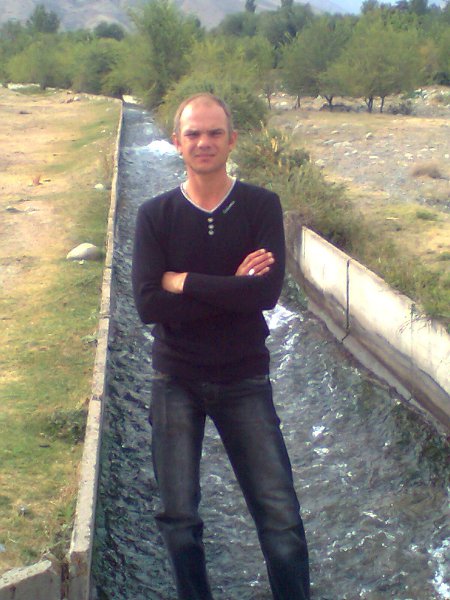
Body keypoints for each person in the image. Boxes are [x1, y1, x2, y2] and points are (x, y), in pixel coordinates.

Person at [132, 93, 310, 600]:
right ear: (177, 142)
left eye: (214, 133)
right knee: (178, 518)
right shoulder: (155, 214)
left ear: (232, 140)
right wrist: (231, 289)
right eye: (193, 133)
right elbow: (148, 304)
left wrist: (183, 281)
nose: (203, 142)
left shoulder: (260, 205)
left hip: (243, 377)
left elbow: (264, 295)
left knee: (279, 516)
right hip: (175, 378)